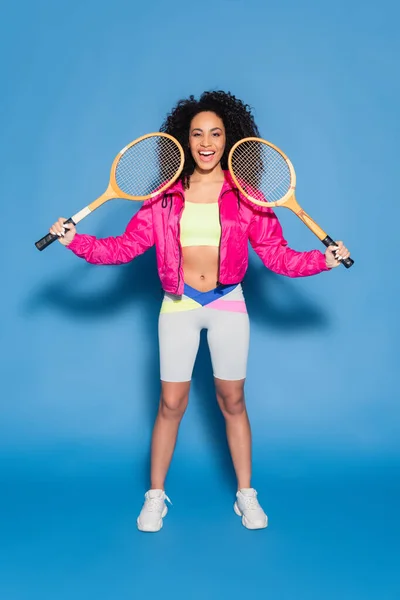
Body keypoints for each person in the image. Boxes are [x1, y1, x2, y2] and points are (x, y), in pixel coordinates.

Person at [49, 91, 351, 533]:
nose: (206, 142)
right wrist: (74, 239)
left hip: (229, 303)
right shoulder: (163, 198)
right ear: (183, 140)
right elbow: (122, 249)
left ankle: (246, 495)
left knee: (232, 400)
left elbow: (279, 257)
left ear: (231, 139)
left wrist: (322, 260)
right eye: (197, 134)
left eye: (216, 133)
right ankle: (155, 497)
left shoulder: (249, 198)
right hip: (179, 304)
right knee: (171, 403)